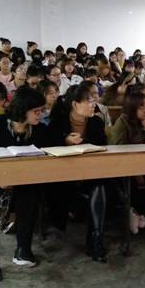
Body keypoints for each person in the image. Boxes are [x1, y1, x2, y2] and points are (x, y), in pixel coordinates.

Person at [0, 86, 50, 267]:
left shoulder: (40, 130)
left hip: (29, 182)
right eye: (36, 111)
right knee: (26, 197)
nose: (40, 115)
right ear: (23, 110)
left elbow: (50, 155)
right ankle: (12, 221)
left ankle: (23, 248)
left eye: (42, 110)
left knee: (29, 194)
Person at [48, 83, 108, 263]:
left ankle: (96, 239)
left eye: (94, 100)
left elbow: (102, 147)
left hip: (91, 173)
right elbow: (48, 145)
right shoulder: (58, 122)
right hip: (62, 176)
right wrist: (64, 140)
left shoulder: (96, 122)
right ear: (75, 104)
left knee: (99, 184)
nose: (94, 104)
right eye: (89, 101)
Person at [110, 92, 145, 233]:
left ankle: (140, 213)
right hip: (124, 167)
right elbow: (119, 153)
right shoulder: (122, 123)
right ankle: (134, 212)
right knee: (133, 182)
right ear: (132, 108)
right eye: (141, 107)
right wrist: (137, 171)